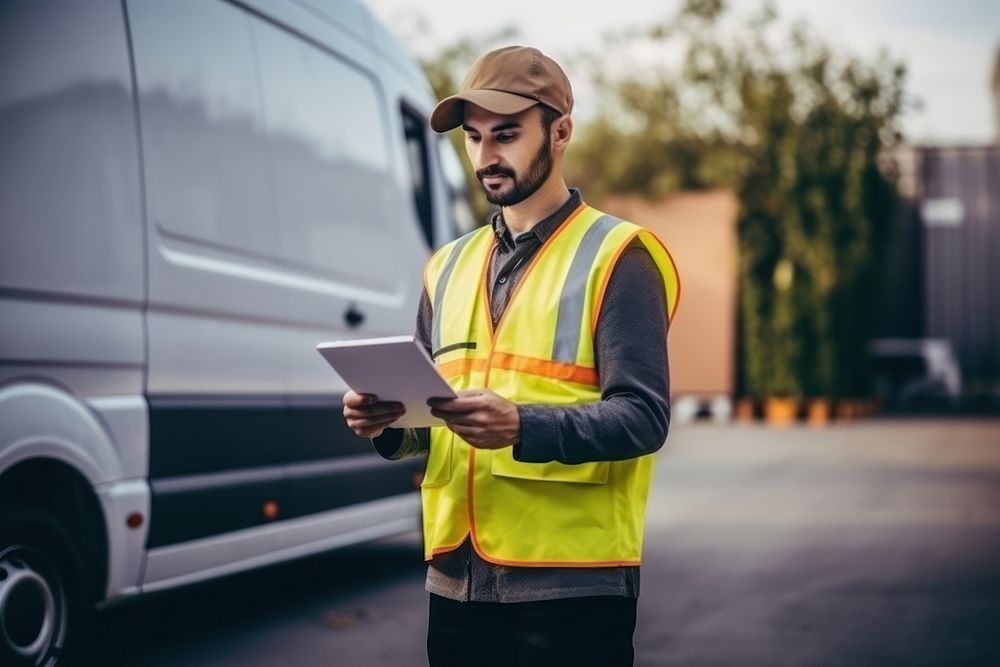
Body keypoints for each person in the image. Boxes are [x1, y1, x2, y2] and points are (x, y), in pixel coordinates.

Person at [343, 45, 680, 667]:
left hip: (572, 590)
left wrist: (522, 424)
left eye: (505, 134)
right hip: (455, 584)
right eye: (473, 138)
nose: (485, 157)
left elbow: (644, 417)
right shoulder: (447, 266)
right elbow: (429, 423)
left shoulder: (619, 257)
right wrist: (386, 424)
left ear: (560, 132)